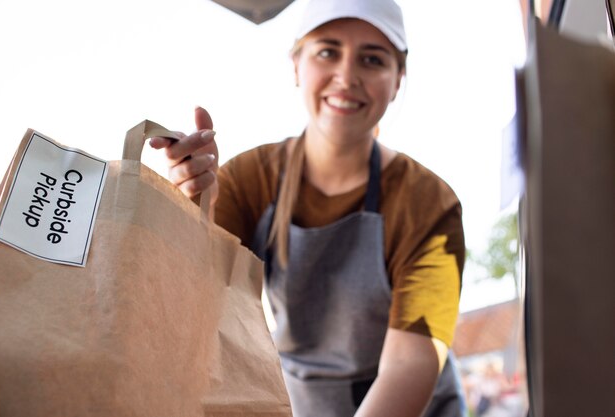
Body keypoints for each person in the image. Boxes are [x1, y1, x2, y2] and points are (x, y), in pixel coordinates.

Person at [150, 0, 467, 416]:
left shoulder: (428, 203)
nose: (347, 76)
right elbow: (201, 300)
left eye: (372, 59)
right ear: (296, 65)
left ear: (397, 78)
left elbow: (411, 360)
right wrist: (194, 207)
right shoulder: (249, 181)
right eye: (327, 51)